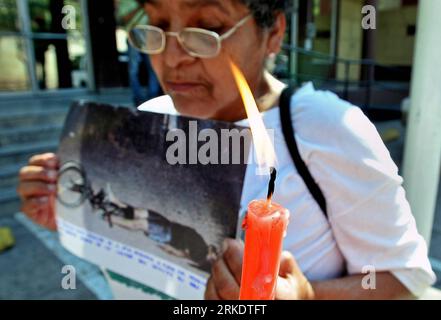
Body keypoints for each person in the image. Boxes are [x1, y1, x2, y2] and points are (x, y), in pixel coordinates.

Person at [18, 0, 436, 299]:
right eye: (158, 24)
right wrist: (70, 212)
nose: (172, 57)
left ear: (273, 31)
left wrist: (306, 295)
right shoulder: (150, 119)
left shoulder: (323, 127)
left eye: (210, 29)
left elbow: (404, 278)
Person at [115, 0, 161, 106]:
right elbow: (123, 20)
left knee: (153, 67)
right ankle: (137, 98)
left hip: (150, 33)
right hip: (134, 33)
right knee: (133, 68)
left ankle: (152, 97)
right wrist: (140, 7)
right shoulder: (125, 2)